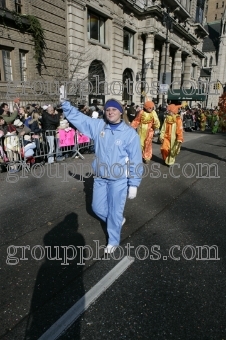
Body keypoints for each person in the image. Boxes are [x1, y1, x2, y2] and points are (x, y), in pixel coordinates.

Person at [61, 98, 143, 253]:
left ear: (120, 112)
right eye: (107, 110)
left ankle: (113, 240)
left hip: (119, 179)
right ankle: (117, 221)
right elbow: (81, 119)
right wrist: (66, 105)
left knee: (114, 211)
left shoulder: (129, 134)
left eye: (113, 109)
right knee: (97, 208)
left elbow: (136, 160)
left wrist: (134, 183)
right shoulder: (99, 126)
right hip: (100, 176)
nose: (110, 112)